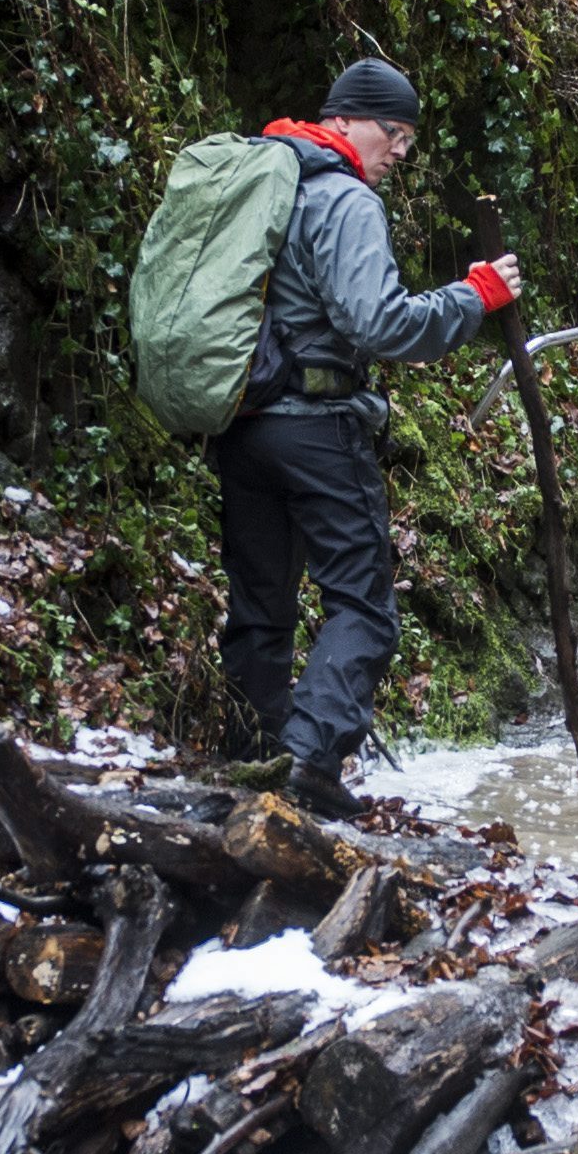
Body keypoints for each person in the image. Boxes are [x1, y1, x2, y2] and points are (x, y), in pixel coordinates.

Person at [209, 58, 521, 816]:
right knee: (364, 604)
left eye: (410, 140)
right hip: (314, 428)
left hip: (241, 425)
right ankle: (306, 762)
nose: (400, 152)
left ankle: (250, 756)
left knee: (260, 601)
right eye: (395, 133)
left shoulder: (260, 179)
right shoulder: (343, 199)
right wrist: (472, 296)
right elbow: (378, 324)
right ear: (345, 118)